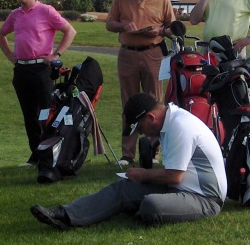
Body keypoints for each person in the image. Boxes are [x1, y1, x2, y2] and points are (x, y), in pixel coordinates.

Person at [30, 93, 227, 229]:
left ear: (151, 117)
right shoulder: (171, 122)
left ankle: (134, 208)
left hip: (206, 199)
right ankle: (65, 214)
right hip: (181, 190)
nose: (140, 133)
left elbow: (174, 176)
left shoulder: (180, 126)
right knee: (123, 188)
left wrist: (143, 174)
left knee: (151, 204)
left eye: (139, 127)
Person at [0, 0, 76, 165]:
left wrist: (56, 54)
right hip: (21, 69)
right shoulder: (15, 14)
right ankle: (36, 155)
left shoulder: (46, 11)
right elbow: (1, 34)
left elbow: (70, 31)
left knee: (46, 113)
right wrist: (10, 55)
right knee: (29, 115)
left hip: (41, 68)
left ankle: (51, 154)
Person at [105, 0, 175, 165]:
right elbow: (109, 23)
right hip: (127, 53)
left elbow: (172, 27)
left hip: (153, 52)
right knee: (129, 103)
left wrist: (159, 31)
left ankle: (152, 151)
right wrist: (123, 25)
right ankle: (128, 154)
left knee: (155, 103)